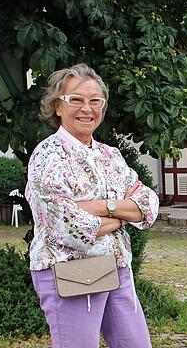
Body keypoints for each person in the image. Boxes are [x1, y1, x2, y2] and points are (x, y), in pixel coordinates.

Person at [26, 63, 159, 348]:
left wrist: (100, 207)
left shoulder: (110, 155)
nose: (87, 108)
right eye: (76, 100)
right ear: (57, 106)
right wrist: (122, 213)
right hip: (69, 271)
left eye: (94, 101)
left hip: (117, 265)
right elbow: (70, 227)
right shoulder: (48, 156)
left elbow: (147, 206)